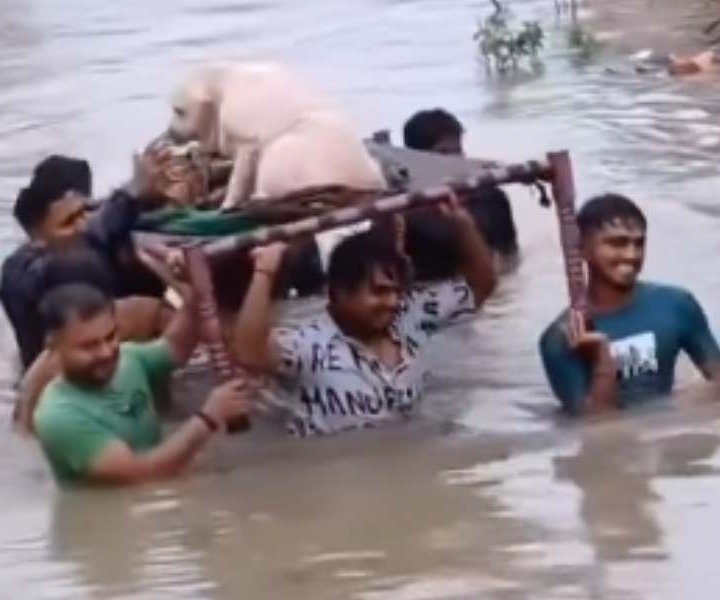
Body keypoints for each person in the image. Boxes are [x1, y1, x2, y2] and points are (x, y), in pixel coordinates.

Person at [232, 200, 495, 437]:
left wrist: (464, 225)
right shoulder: (309, 344)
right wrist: (264, 272)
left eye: (396, 291)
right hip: (337, 475)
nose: (392, 302)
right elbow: (248, 352)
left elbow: (481, 285)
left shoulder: (410, 319)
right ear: (339, 293)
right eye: (379, 292)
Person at [32, 283, 249, 485]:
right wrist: (208, 419)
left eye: (110, 337)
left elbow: (175, 348)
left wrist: (196, 292)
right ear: (53, 347)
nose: (106, 352)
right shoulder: (58, 416)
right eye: (89, 346)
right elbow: (138, 475)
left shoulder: (128, 360)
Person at [539, 194, 720, 416]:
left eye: (639, 243)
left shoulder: (677, 305)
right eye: (617, 243)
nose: (631, 255)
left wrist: (681, 408)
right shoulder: (562, 337)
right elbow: (598, 431)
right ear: (582, 249)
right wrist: (602, 361)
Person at [0, 155, 165, 371]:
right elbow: (62, 268)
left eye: (82, 213)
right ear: (36, 237)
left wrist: (141, 192)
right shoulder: (27, 273)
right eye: (68, 222)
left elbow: (100, 224)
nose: (83, 226)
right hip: (54, 380)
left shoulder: (71, 240)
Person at [402, 108, 519, 264]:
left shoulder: (491, 199)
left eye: (458, 150)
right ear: (416, 160)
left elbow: (511, 260)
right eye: (443, 153)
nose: (455, 160)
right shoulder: (403, 217)